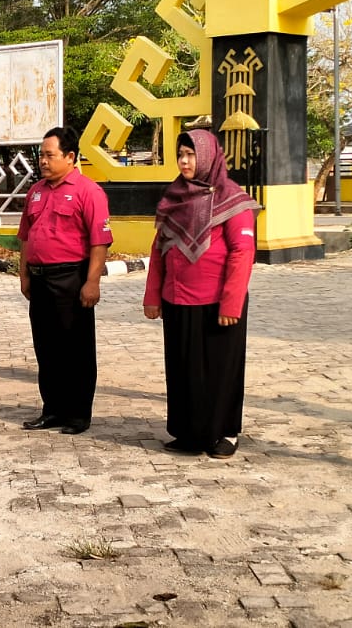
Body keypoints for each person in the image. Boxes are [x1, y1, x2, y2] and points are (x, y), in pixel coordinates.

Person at [143, 129, 259, 459]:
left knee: (220, 369)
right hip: (176, 298)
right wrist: (153, 295)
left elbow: (242, 251)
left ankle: (225, 431)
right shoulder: (174, 197)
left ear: (207, 156)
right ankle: (189, 432)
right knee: (182, 368)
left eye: (191, 155)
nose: (184, 161)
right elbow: (159, 248)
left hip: (217, 302)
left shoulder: (232, 199)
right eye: (181, 154)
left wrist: (232, 301)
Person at [19, 126, 113, 435]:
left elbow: (100, 241)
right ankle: (53, 410)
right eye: (40, 155)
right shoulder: (35, 191)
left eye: (50, 155)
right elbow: (26, 237)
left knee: (76, 349)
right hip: (41, 279)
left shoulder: (89, 191)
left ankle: (77, 414)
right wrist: (24, 274)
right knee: (46, 347)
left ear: (70, 156)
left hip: (71, 279)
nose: (43, 161)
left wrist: (92, 282)